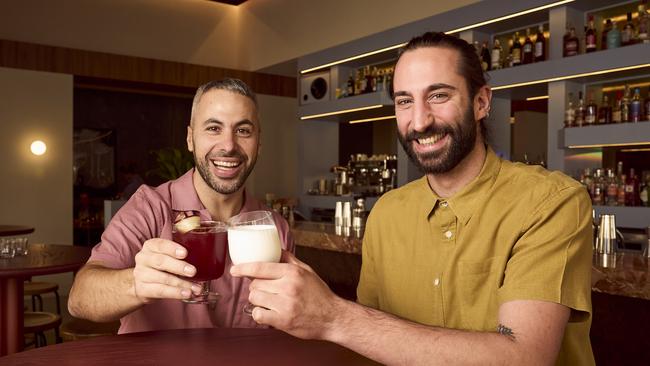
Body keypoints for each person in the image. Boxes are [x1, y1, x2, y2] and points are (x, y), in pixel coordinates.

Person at [231, 32, 594, 365]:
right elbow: (369, 346)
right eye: (405, 101)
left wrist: (333, 316)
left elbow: (525, 358)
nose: (419, 121)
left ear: (481, 102)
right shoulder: (387, 212)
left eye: (438, 95)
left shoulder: (550, 202)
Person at [68, 78, 294, 333]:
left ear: (259, 144)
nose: (229, 145)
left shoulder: (275, 227)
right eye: (213, 128)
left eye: (243, 131)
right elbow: (80, 299)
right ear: (190, 139)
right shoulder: (150, 208)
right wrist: (135, 284)